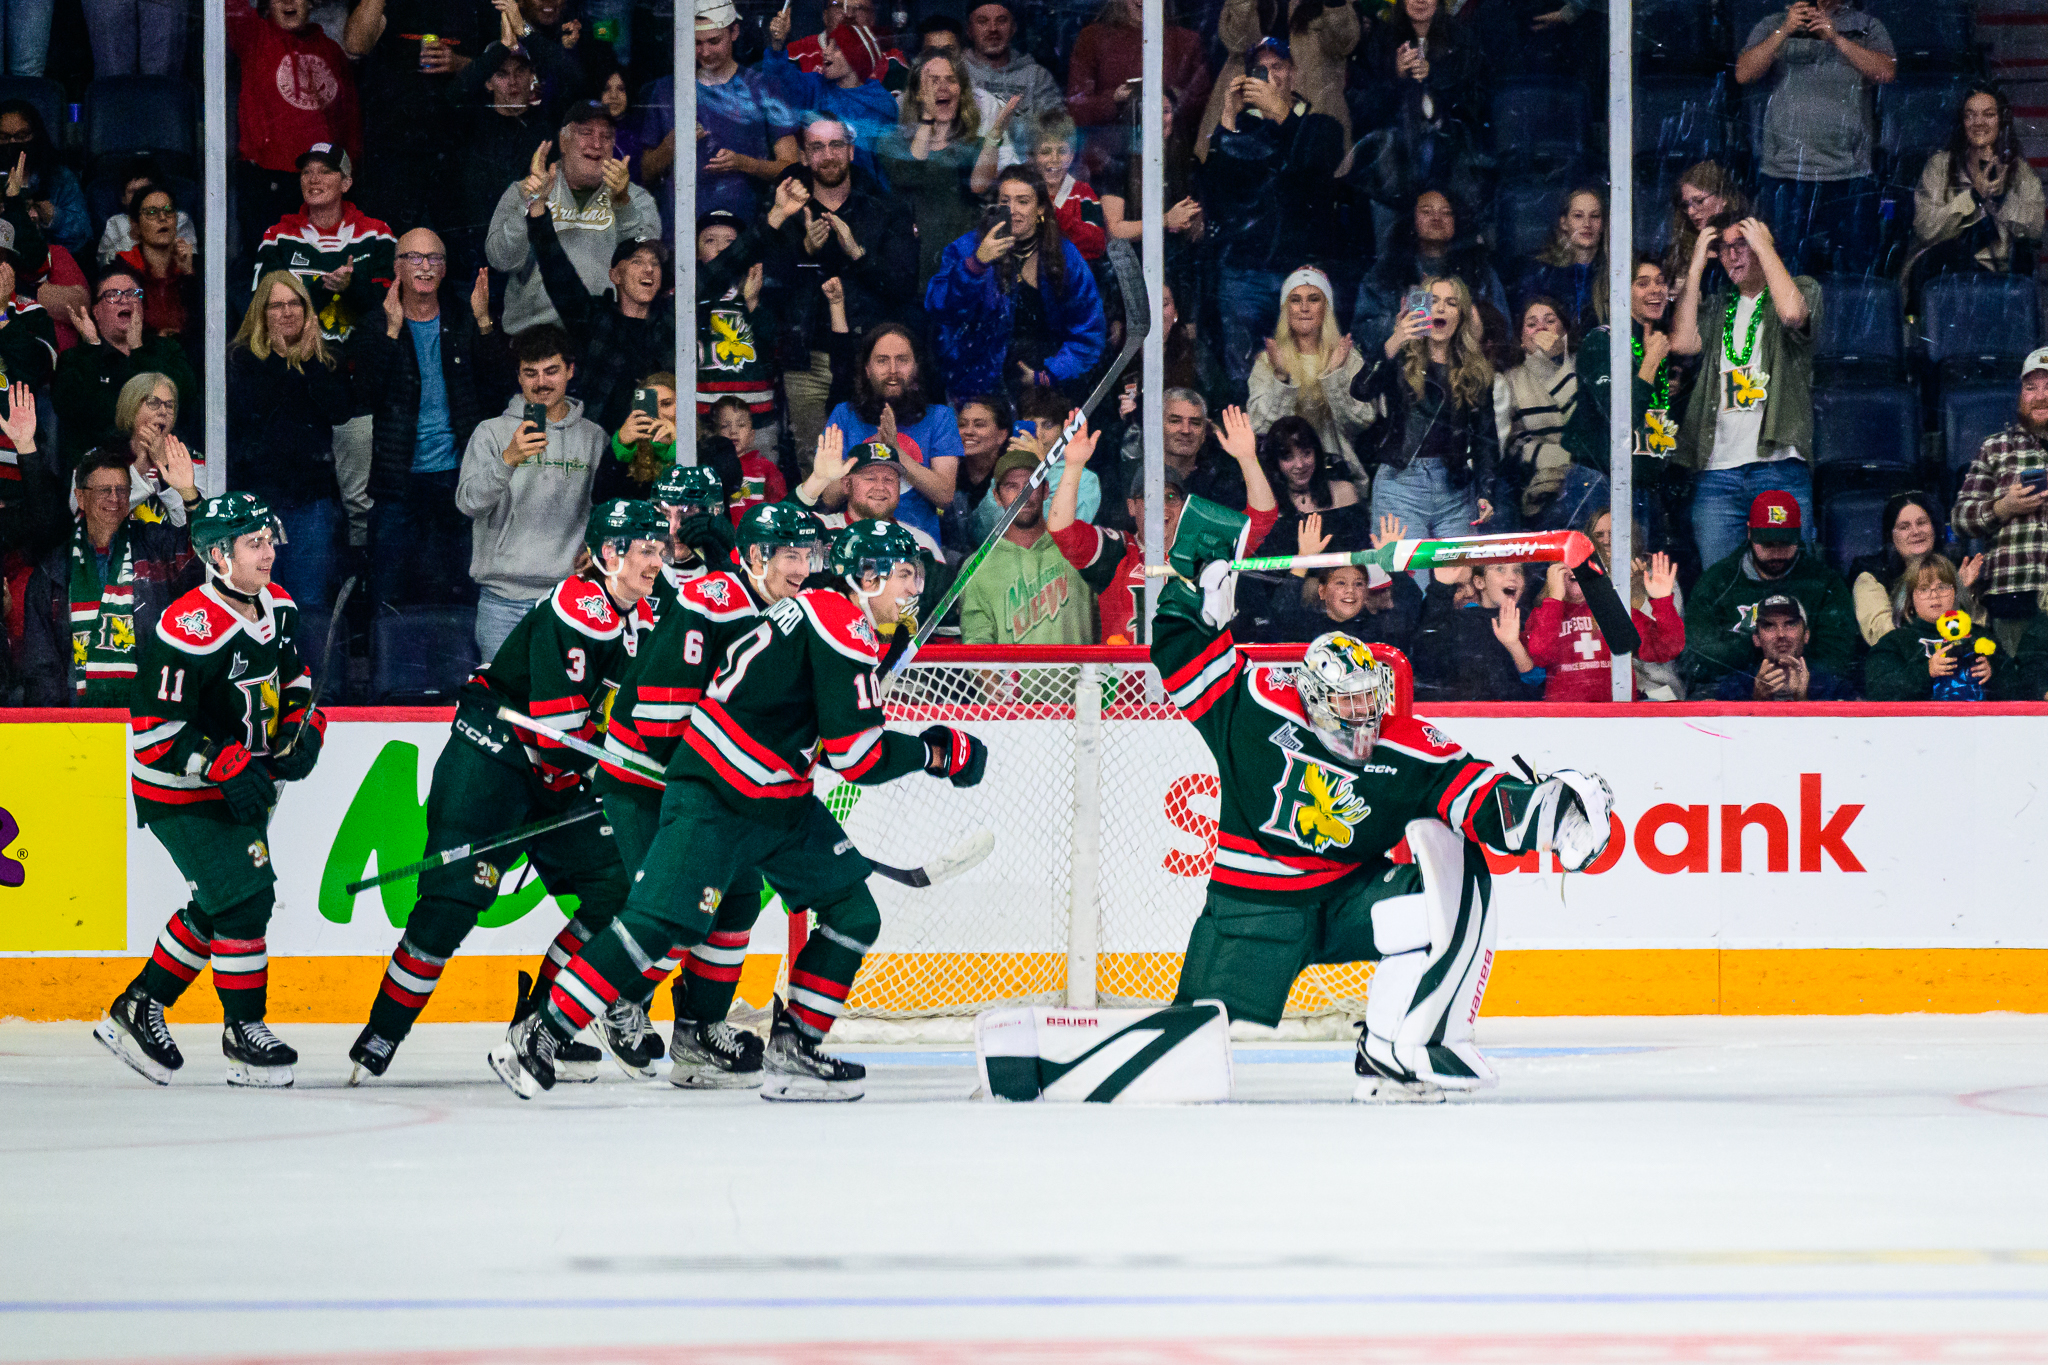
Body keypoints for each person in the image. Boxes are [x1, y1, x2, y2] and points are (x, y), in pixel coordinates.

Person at [488, 518, 990, 1101]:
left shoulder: (824, 611)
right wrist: (936, 750)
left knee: (852, 911)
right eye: (905, 575)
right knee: (657, 924)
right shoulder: (840, 621)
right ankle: (538, 1037)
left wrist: (871, 677)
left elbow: (822, 732)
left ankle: (795, 1046)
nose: (914, 590)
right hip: (719, 796)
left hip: (777, 799)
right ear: (866, 576)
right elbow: (859, 756)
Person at [1151, 492, 1613, 1099]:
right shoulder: (1254, 704)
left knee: (1456, 872)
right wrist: (1195, 590)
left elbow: (1479, 798)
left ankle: (1401, 1046)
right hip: (1250, 914)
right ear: (1311, 698)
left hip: (1346, 903)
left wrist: (1549, 811)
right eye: (1345, 702)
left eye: (1369, 698)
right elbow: (1181, 651)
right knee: (1187, 1048)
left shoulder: (1403, 743)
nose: (1362, 713)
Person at [350, 499, 664, 1083]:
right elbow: (560, 733)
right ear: (607, 554)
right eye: (644, 549)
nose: (656, 560)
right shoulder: (580, 607)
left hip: (556, 773)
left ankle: (541, 1026)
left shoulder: (638, 615)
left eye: (658, 548)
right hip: (492, 760)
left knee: (617, 891)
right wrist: (616, 769)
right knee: (449, 907)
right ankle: (383, 1033)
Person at [596, 482, 829, 1088]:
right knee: (677, 908)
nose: (801, 570)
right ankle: (615, 1003)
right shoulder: (717, 599)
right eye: (788, 556)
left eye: (809, 557)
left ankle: (698, 1033)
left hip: (715, 781)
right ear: (755, 559)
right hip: (649, 773)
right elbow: (656, 718)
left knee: (739, 898)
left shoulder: (791, 615)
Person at [98, 495, 324, 1087]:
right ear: (217, 555)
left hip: (240, 786)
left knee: (222, 901)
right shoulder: (186, 627)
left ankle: (138, 1007)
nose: (269, 552)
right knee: (248, 900)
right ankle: (244, 1033)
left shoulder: (277, 605)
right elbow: (154, 731)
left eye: (269, 539)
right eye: (254, 543)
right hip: (180, 790)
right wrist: (223, 763)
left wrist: (303, 730)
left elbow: (296, 679)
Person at [1050, 405, 1278, 644]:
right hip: (1129, 681)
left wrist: (1248, 459)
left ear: (1183, 505)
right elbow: (1061, 529)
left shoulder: (1203, 548)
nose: (1160, 507)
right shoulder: (1116, 552)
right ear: (1131, 506)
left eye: (1170, 497)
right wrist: (1074, 466)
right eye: (1149, 497)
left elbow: (1262, 518)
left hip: (1192, 680)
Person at [359, 235, 504, 608]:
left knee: (458, 588)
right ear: (397, 267)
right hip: (397, 480)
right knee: (388, 594)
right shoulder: (377, 322)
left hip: (457, 475)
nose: (425, 266)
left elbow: (497, 386)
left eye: (435, 258)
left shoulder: (463, 314)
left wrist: (484, 320)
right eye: (414, 257)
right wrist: (392, 331)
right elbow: (364, 393)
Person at [1670, 212, 1820, 571]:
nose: (1733, 256)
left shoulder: (1801, 288)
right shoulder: (1719, 303)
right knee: (1721, 585)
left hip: (1778, 465)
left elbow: (1793, 315)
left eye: (1744, 245)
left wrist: (1764, 247)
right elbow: (1684, 342)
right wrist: (1695, 268)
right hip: (1717, 472)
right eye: (1725, 248)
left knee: (1791, 582)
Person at [769, 118, 919, 464]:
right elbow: (769, 290)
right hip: (807, 360)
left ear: (851, 152)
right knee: (814, 465)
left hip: (868, 360)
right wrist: (804, 249)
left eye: (836, 145)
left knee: (875, 462)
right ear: (804, 157)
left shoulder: (885, 209)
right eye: (817, 147)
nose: (828, 155)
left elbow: (903, 287)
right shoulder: (787, 207)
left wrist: (856, 252)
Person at [1200, 37, 1346, 387]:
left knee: (1307, 374)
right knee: (1244, 380)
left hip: (1299, 276)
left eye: (1277, 67)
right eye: (1259, 70)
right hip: (1244, 273)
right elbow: (1217, 196)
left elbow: (1312, 174)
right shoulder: (1241, 130)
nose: (1269, 76)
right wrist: (1227, 118)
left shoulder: (1320, 126)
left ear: (1293, 74)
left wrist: (1280, 113)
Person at [458, 324, 609, 661]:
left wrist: (597, 552)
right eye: (531, 373)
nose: (541, 382)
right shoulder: (491, 432)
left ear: (570, 371)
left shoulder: (594, 437)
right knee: (502, 706)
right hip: (501, 601)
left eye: (552, 371)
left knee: (564, 705)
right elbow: (468, 503)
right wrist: (509, 458)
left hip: (571, 596)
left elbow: (606, 511)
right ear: (519, 377)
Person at [225, 272, 356, 632]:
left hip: (311, 503)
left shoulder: (327, 360)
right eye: (277, 304)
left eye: (295, 302)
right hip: (257, 505)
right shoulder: (241, 360)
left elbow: (339, 411)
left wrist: (308, 362)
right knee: (255, 598)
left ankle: (305, 683)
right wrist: (282, 364)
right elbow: (251, 415)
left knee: (307, 603)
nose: (287, 311)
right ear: (261, 313)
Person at [22, 444, 199, 705]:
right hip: (77, 723)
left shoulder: (154, 546)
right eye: (105, 490)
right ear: (80, 497)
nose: (115, 498)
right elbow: (42, 667)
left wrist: (188, 493)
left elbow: (206, 559)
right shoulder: (53, 570)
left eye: (122, 490)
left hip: (150, 716)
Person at [1734, 0, 1896, 278]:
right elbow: (1743, 73)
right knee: (1787, 274)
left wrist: (1835, 38)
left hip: (1850, 176)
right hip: (1785, 175)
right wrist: (1784, 30)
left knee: (1855, 276)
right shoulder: (1774, 23)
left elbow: (1886, 71)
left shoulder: (1866, 26)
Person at [925, 165, 1107, 406]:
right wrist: (976, 264)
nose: (1013, 211)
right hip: (976, 387)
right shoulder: (966, 248)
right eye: (1005, 201)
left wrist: (1047, 376)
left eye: (1023, 201)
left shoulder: (1065, 256)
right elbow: (938, 307)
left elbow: (1089, 332)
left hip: (1045, 389)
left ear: (1041, 208)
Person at [1352, 274, 1498, 562]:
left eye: (1451, 303)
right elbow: (1360, 389)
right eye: (1432, 302)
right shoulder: (1401, 357)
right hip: (1401, 481)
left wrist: (1486, 491)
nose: (1441, 309)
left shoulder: (1475, 370)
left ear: (1462, 316)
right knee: (1406, 581)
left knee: (1459, 581)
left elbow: (1486, 438)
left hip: (1455, 486)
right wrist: (1394, 340)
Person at [487, 101, 661, 335]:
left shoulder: (636, 198)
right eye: (586, 133)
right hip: (535, 338)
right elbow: (501, 260)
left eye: (606, 136)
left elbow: (648, 263)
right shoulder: (522, 191)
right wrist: (533, 201)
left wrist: (622, 202)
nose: (596, 144)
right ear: (563, 141)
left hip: (605, 338)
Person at [1561, 254, 1689, 551]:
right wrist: (1649, 365)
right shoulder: (1601, 343)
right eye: (1642, 283)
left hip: (1645, 484)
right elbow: (1618, 418)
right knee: (1599, 581)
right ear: (1620, 290)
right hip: (1601, 481)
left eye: (1660, 282)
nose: (1655, 290)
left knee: (1638, 583)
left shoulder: (1664, 344)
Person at [638, 0, 797, 230]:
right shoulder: (666, 91)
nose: (705, 52)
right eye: (697, 43)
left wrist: (745, 164)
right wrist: (669, 147)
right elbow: (645, 173)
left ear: (734, 31)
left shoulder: (764, 88)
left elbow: (791, 166)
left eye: (714, 41)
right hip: (682, 236)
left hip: (748, 231)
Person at [1684, 490, 1855, 693]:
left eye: (1784, 543)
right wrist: (1753, 676)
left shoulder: (1825, 583)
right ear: (1749, 533)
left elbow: (1837, 659)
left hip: (1811, 688)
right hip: (1732, 691)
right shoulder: (1717, 581)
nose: (1776, 552)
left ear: (1798, 535)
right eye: (1767, 543)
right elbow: (1702, 657)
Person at [228, 0, 362, 258]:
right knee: (271, 269)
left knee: (321, 266)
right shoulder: (254, 35)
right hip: (269, 181)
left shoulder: (331, 50)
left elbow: (349, 120)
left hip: (321, 182)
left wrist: (349, 170)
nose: (289, 1)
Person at [529, 206, 675, 442]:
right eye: (637, 261)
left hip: (659, 449)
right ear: (615, 275)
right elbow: (557, 271)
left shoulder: (672, 319)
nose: (649, 269)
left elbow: (723, 268)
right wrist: (537, 214)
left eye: (655, 263)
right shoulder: (595, 319)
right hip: (600, 450)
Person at [823, 323, 964, 546]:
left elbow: (945, 496)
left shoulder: (940, 417)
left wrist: (896, 452)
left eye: (902, 360)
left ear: (916, 367)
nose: (893, 370)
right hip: (853, 543)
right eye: (882, 360)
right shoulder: (844, 415)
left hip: (917, 548)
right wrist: (868, 455)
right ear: (867, 369)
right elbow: (829, 498)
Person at [877, 50, 1007, 287]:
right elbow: (907, 174)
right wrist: (927, 119)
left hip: (964, 272)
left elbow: (980, 186)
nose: (943, 87)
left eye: (950, 79)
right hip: (911, 274)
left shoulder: (975, 146)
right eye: (933, 81)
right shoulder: (892, 142)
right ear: (916, 93)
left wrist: (994, 138)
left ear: (961, 91)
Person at [249, 144, 396, 351]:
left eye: (325, 171)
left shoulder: (377, 234)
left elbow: (392, 308)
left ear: (346, 183)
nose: (313, 179)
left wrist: (352, 285)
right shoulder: (277, 237)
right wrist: (325, 287)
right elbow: (265, 310)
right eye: (307, 172)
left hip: (365, 361)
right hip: (299, 361)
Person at [1905, 83, 2045, 299]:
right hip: (1946, 273)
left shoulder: (2018, 171)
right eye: (1970, 115)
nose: (1978, 122)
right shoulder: (1940, 166)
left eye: (1988, 115)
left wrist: (2002, 197)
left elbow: (2035, 228)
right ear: (1962, 123)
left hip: (2000, 276)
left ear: (2001, 121)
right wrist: (1973, 196)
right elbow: (1926, 228)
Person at [1950, 348, 2048, 651]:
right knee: (2019, 690)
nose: (2040, 396)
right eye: (2030, 387)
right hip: (2013, 592)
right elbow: (1960, 518)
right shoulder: (1996, 448)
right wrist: (2003, 507)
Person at [54, 269, 197, 469]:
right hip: (103, 472)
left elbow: (185, 396)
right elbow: (82, 412)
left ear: (142, 306)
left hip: (166, 467)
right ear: (96, 312)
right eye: (112, 295)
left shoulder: (166, 349)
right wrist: (92, 347)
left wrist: (138, 349)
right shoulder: (77, 358)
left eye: (133, 294)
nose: (124, 301)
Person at [960, 444, 1102, 644]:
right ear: (996, 496)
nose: (1023, 495)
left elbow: (1107, 629)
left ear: (1046, 490)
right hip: (1010, 677)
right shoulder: (977, 566)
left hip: (1080, 676)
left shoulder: (1080, 552)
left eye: (1031, 485)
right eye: (1011, 486)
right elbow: (977, 644)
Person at [1247, 266, 1374, 488]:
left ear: (1327, 307)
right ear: (1285, 308)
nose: (1304, 308)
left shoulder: (1347, 357)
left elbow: (1361, 421)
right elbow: (1260, 426)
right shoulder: (1268, 360)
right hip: (1284, 480)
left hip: (1338, 475)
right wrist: (1281, 376)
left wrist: (1333, 374)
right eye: (1295, 300)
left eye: (1314, 299)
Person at [444, 43, 556, 280]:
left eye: (520, 72)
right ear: (488, 81)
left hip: (528, 261)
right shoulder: (468, 122)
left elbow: (575, 80)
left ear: (531, 77)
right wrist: (499, 50)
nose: (513, 81)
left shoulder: (547, 128)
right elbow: (452, 95)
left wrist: (528, 35)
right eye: (501, 73)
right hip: (472, 262)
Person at [1353, 188, 1506, 358]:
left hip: (1466, 368)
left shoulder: (1480, 272)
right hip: (1401, 370)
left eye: (1446, 212)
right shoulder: (1384, 273)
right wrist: (1401, 324)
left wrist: (1466, 320)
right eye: (1426, 211)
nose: (1436, 217)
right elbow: (1363, 335)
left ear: (1458, 221)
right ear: (1412, 218)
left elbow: (1501, 331)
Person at [1064, 0, 1211, 169]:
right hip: (1107, 162)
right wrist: (1114, 98)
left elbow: (1203, 108)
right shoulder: (1092, 39)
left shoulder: (1186, 41)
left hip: (1171, 161)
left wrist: (1174, 99)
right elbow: (1076, 108)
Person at [1524, 546, 1684, 702]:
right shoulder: (1545, 612)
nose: (1575, 567)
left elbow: (1665, 648)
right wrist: (1554, 599)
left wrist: (1662, 600)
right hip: (1566, 718)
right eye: (1566, 561)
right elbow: (1540, 655)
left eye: (1583, 561)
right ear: (1553, 573)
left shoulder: (1614, 609)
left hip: (1616, 715)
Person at [1202, 0, 1357, 157]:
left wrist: (1280, 112)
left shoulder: (1324, 120)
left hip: (1314, 115)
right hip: (1255, 118)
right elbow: (1234, 39)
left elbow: (1343, 40)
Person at [761, 10, 899, 185]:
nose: (825, 51)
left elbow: (887, 163)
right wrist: (777, 45)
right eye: (827, 45)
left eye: (837, 47)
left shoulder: (881, 104)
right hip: (819, 188)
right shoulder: (814, 87)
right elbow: (778, 83)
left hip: (864, 196)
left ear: (856, 56)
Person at [1262, 511, 1422, 650]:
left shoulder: (1378, 629)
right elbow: (1281, 612)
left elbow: (1412, 607)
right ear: (1322, 591)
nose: (1350, 590)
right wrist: (1303, 560)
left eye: (1359, 584)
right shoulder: (1307, 627)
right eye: (1341, 583)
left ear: (1366, 592)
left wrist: (1392, 566)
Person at [1499, 295, 1591, 529]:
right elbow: (1513, 443)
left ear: (1564, 329)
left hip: (1591, 482)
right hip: (1542, 489)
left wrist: (1554, 365)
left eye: (1549, 320)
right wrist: (1568, 458)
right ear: (1521, 339)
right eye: (1531, 324)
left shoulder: (1585, 365)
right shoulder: (1510, 379)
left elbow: (1585, 425)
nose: (1541, 327)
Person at [691, 206, 778, 453]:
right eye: (710, 240)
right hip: (705, 419)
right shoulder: (686, 295)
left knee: (759, 485)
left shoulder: (761, 292)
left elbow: (772, 347)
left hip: (757, 420)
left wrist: (752, 303)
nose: (721, 249)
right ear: (695, 251)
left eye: (731, 242)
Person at [1846, 491, 1980, 647]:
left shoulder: (1957, 568)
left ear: (1934, 528)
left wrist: (1962, 591)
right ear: (1891, 535)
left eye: (1922, 523)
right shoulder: (1870, 576)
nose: (1916, 532)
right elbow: (1884, 636)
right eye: (1904, 527)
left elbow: (1978, 631)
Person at [1862, 555, 2001, 702]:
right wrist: (1926, 671)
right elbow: (1877, 692)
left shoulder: (1980, 636)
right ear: (1910, 598)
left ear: (1956, 592)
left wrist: (1992, 673)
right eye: (1923, 589)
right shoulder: (1895, 641)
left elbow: (2015, 688)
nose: (1934, 595)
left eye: (1942, 587)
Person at [1411, 560, 1541, 701]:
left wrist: (1513, 645)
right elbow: (1427, 661)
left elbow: (1539, 686)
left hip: (1516, 718)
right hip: (1466, 717)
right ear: (1480, 583)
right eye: (1500, 569)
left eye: (1517, 570)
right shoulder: (1460, 620)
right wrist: (1441, 587)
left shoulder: (1531, 619)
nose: (1512, 577)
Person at [961, 0, 1063, 155]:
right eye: (983, 22)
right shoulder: (954, 73)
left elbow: (1058, 132)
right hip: (967, 170)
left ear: (1014, 28)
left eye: (1001, 21)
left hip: (1023, 172)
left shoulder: (1036, 77)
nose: (993, 29)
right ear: (969, 30)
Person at [1710, 592, 1854, 701]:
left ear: (1806, 635)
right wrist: (1757, 700)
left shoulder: (1833, 688)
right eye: (1769, 626)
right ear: (1757, 639)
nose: (1781, 634)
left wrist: (1803, 701)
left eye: (1790, 624)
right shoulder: (1735, 686)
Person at [111, 374, 211, 520]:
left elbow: (193, 525)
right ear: (130, 407)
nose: (163, 411)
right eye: (153, 403)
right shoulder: (102, 458)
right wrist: (139, 468)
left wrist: (165, 465)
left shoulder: (192, 460)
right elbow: (94, 515)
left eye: (169, 405)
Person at [1513, 186, 1607, 335]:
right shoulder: (1541, 273)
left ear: (1603, 224)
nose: (1587, 224)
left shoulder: (1615, 271)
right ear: (1564, 223)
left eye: (1594, 216)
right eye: (1578, 216)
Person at [113, 182, 199, 340]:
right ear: (135, 225)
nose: (162, 218)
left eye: (168, 211)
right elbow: (117, 328)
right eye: (151, 212)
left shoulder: (194, 268)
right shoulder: (119, 270)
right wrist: (154, 339)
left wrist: (188, 274)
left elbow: (205, 326)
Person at [0, 101, 86, 255]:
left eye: (21, 136)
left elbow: (83, 235)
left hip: (52, 263)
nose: (12, 143)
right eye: (4, 137)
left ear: (35, 135)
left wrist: (53, 216)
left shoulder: (61, 178)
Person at [1028, 111, 1108, 262]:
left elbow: (1097, 242)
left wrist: (1055, 214)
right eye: (1045, 151)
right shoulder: (1025, 192)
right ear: (1033, 156)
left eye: (1062, 151)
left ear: (1071, 156)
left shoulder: (1084, 193)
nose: (1054, 159)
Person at [1663, 160, 1749, 293]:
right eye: (1686, 205)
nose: (1691, 212)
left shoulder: (1746, 237)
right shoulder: (1681, 248)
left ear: (1723, 197)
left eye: (1699, 201)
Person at [710, 395, 787, 519]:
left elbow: (780, 509)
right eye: (725, 426)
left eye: (741, 425)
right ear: (716, 434)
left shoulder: (766, 468)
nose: (733, 431)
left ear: (752, 435)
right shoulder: (710, 467)